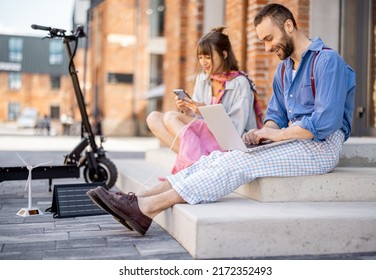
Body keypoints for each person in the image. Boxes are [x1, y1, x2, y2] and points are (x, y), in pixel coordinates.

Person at [87, 3, 356, 236]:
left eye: (269, 38)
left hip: (321, 147)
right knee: (218, 157)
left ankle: (147, 209)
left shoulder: (326, 60)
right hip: (294, 141)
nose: (267, 47)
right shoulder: (284, 70)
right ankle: (137, 198)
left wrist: (277, 134)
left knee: (238, 162)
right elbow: (275, 116)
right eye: (262, 41)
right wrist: (264, 132)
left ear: (288, 25)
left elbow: (324, 123)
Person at [146, 26, 262, 174]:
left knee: (170, 117)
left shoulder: (240, 82)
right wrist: (187, 108)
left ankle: (195, 164)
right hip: (205, 138)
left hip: (227, 140)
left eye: (208, 57)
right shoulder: (203, 79)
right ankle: (198, 162)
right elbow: (197, 121)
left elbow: (235, 128)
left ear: (224, 54)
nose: (203, 62)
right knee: (153, 117)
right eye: (200, 57)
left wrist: (205, 111)